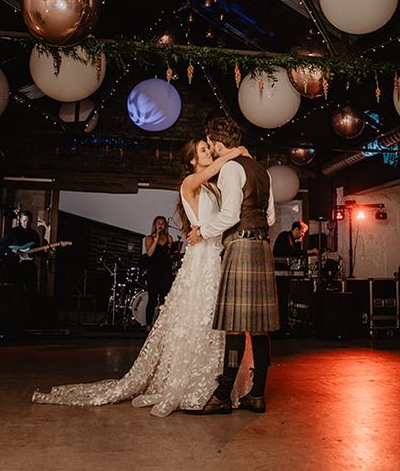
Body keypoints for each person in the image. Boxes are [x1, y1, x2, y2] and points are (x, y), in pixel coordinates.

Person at [32, 139, 252, 417]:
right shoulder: (191, 181)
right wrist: (239, 152)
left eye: (208, 148)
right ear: (192, 161)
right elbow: (217, 168)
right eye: (203, 150)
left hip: (217, 255)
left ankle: (218, 384)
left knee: (218, 322)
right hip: (202, 261)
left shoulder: (212, 186)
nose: (209, 151)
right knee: (199, 316)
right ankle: (190, 383)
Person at [188, 116, 278, 415]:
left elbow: (229, 216)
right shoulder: (263, 172)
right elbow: (271, 219)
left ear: (215, 141)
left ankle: (223, 395)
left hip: (240, 245)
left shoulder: (230, 168)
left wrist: (202, 231)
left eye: (209, 144)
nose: (210, 149)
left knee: (235, 328)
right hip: (263, 247)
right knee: (261, 329)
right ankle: (257, 395)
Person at [273, 220, 317, 335]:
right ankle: (281, 329)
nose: (303, 234)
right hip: (280, 275)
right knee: (282, 301)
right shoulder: (285, 236)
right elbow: (290, 251)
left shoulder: (291, 239)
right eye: (302, 232)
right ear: (296, 229)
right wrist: (309, 251)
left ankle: (283, 327)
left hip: (283, 275)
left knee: (284, 300)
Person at [142, 216, 174, 330]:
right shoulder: (148, 238)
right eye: (158, 223)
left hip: (165, 271)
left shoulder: (169, 238)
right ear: (155, 225)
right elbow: (149, 254)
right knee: (152, 299)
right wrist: (156, 240)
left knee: (163, 299)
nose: (160, 225)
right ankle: (148, 325)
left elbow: (169, 255)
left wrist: (173, 250)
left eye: (163, 223)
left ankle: (161, 325)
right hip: (153, 271)